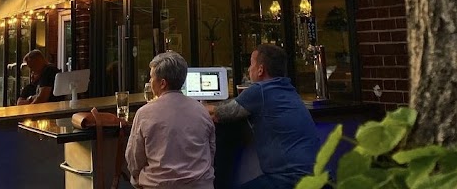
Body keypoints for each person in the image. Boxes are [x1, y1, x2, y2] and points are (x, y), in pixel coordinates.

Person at [208, 44, 318, 189]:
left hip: (290, 179)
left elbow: (218, 114)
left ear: (260, 69)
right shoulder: (288, 89)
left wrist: (190, 105)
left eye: (251, 64)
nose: (248, 69)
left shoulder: (260, 90)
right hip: (318, 177)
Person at [125, 51, 216, 189]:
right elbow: (211, 152)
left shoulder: (144, 114)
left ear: (162, 83)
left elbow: (134, 160)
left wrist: (138, 179)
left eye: (151, 78)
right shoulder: (201, 110)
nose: (149, 82)